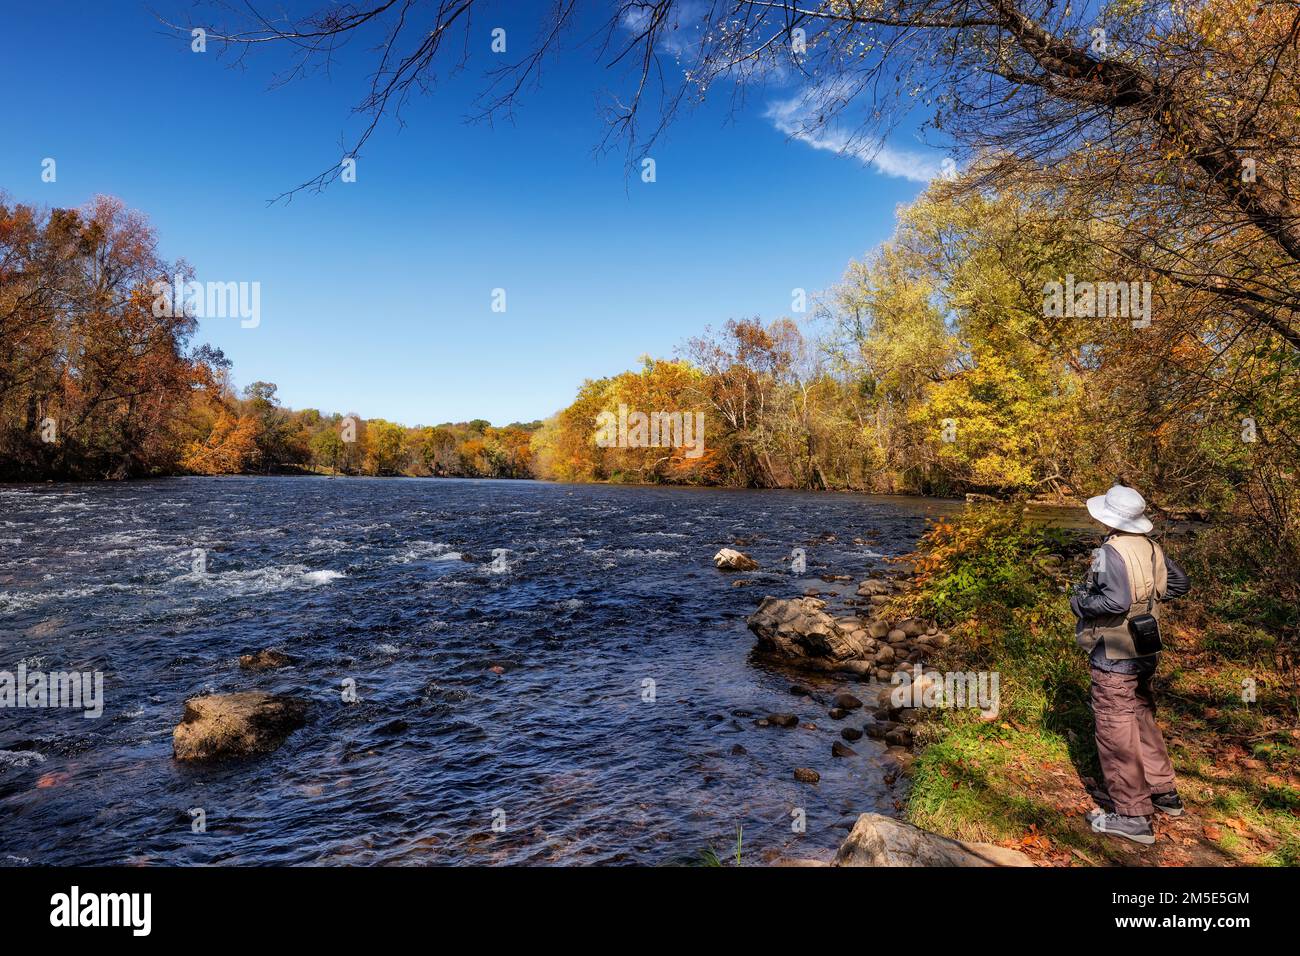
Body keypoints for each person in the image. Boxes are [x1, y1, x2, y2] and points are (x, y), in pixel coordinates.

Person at [1069, 484, 1190, 845]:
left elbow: (1114, 602)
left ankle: (1132, 816)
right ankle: (1164, 793)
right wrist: (1149, 599)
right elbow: (1180, 584)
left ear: (1109, 517)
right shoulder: (1151, 546)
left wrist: (1079, 604)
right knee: (1141, 715)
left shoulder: (1110, 551)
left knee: (1114, 726)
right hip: (1146, 648)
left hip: (1115, 651)